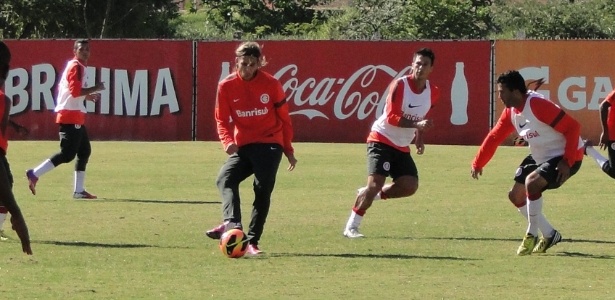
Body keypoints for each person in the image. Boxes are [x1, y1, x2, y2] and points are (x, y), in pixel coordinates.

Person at [471, 70, 584, 256]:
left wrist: (567, 160)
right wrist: (478, 162)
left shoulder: (537, 105)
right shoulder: (511, 112)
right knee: (515, 196)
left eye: (502, 92)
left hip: (567, 155)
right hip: (541, 156)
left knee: (532, 183)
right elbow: (494, 137)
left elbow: (573, 127)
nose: (499, 97)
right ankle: (549, 234)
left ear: (515, 92)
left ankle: (531, 234)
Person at [205, 42, 297, 256]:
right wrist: (227, 141)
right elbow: (221, 120)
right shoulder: (226, 86)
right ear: (236, 62)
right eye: (243, 64)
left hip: (270, 143)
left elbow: (284, 118)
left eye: (251, 64)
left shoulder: (271, 84)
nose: (246, 69)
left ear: (259, 64)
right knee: (225, 178)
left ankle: (252, 242)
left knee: (262, 190)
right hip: (244, 145)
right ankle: (233, 224)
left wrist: (288, 149)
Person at [343, 47, 440, 238]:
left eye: (425, 64)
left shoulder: (434, 92)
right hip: (381, 138)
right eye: (417, 63)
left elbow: (424, 114)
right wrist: (417, 124)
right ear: (412, 64)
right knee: (375, 183)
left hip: (401, 145)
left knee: (409, 185)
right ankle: (351, 226)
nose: (420, 67)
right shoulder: (400, 85)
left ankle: (372, 194)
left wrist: (420, 136)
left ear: (431, 69)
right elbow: (391, 117)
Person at [26, 39, 105, 199]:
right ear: (74, 51)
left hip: (75, 114)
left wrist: (87, 96)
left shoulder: (78, 66)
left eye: (87, 49)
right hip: (70, 115)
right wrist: (95, 88)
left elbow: (71, 91)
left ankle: (79, 190)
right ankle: (34, 173)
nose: (85, 52)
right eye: (81, 49)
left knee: (84, 151)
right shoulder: (76, 66)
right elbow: (75, 92)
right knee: (67, 154)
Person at [0, 40, 33, 254]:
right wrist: (26, 242)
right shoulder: (4, 99)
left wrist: (13, 125)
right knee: (10, 200)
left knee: (8, 183)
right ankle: (26, 246)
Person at [584, 88, 615, 178]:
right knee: (614, 172)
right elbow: (603, 106)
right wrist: (605, 132)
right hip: (613, 134)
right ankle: (588, 149)